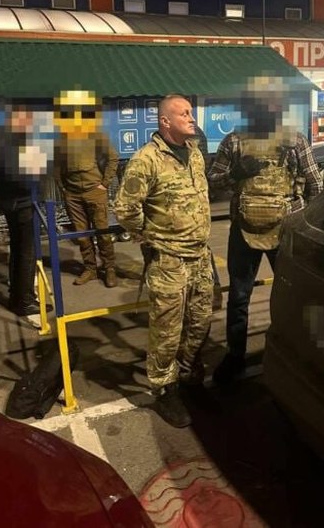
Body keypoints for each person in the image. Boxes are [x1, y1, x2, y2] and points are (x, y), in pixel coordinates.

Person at [208, 83, 323, 385]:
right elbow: (213, 180)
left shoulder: (294, 140)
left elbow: (314, 184)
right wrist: (236, 173)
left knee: (288, 294)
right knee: (239, 297)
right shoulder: (234, 141)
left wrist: (302, 224)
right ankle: (236, 356)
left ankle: (291, 351)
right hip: (244, 230)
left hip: (284, 230)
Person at [113, 95, 213, 428]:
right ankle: (164, 389)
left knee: (199, 322)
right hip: (169, 260)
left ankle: (189, 375)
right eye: (183, 113)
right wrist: (147, 235)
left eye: (191, 112)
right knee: (167, 332)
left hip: (200, 256)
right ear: (165, 121)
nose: (191, 117)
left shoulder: (195, 153)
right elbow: (125, 208)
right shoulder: (146, 159)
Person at [0, 105, 52, 317]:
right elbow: (26, 178)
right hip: (23, 204)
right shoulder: (18, 143)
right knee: (27, 253)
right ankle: (24, 301)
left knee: (18, 250)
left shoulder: (0, 140)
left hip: (12, 203)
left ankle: (17, 296)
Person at [55, 92, 119, 288]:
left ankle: (109, 268)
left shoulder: (95, 133)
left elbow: (113, 158)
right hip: (72, 194)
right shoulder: (61, 138)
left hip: (94, 191)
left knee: (103, 233)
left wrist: (104, 184)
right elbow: (56, 166)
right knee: (82, 236)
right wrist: (63, 189)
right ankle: (90, 269)